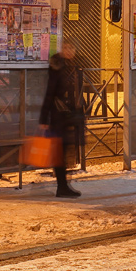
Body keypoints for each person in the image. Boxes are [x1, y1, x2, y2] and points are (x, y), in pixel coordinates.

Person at [39, 38, 84, 197]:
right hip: (59, 116)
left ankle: (63, 186)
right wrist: (44, 118)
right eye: (66, 47)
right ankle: (62, 187)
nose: (69, 50)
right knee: (60, 152)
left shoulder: (74, 67)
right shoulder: (57, 67)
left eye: (72, 47)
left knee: (65, 151)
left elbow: (77, 92)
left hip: (70, 115)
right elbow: (50, 93)